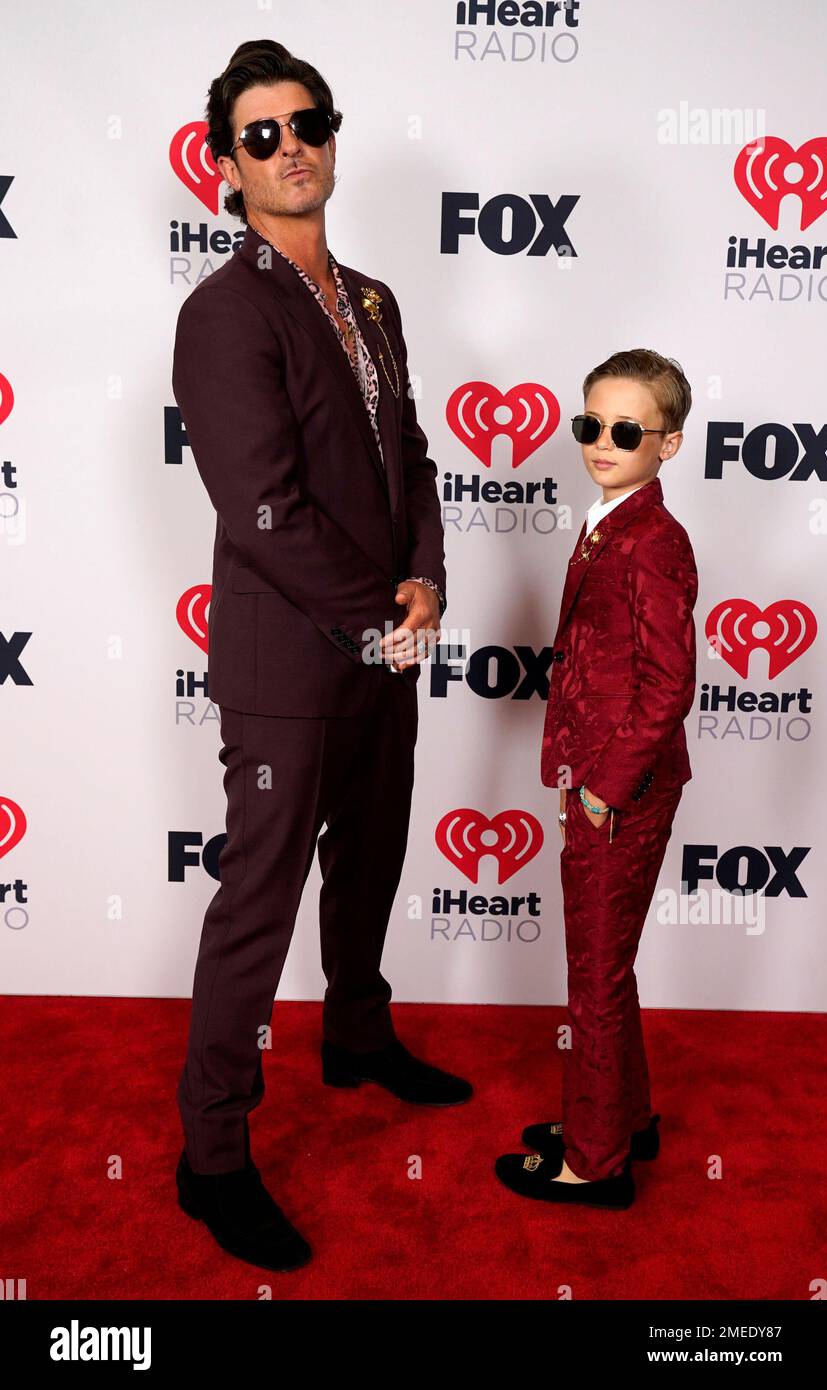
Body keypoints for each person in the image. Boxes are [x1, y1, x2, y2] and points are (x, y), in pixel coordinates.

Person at [172, 38, 471, 1273]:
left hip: (379, 646)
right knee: (258, 902)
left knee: (374, 858)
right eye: (262, 134)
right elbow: (261, 507)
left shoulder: (377, 300)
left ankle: (356, 1033)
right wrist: (379, 609)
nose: (291, 146)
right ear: (226, 166)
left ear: (331, 136)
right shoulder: (222, 308)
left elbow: (408, 453)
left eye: (309, 122)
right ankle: (211, 1156)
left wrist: (427, 579)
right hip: (291, 662)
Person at [495, 349, 698, 1209]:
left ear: (670, 445)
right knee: (608, 966)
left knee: (595, 975)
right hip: (604, 777)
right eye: (591, 426)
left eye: (626, 430)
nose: (603, 442)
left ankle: (594, 1161)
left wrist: (604, 788)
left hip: (622, 789)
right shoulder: (609, 520)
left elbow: (668, 687)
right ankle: (626, 1118)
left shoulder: (653, 542)